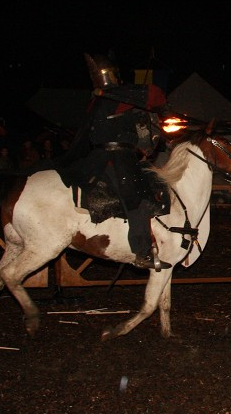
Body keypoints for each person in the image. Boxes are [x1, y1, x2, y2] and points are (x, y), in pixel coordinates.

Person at [57, 53, 170, 271]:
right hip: (116, 160)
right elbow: (156, 95)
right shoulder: (119, 96)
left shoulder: (98, 100)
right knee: (139, 200)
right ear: (114, 75)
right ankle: (142, 252)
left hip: (95, 159)